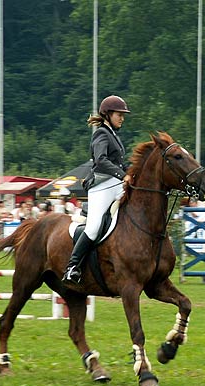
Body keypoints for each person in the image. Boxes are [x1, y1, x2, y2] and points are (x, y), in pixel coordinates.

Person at [63, 95, 131, 283]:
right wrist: (123, 175)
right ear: (108, 114)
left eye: (123, 115)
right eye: (119, 114)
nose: (122, 118)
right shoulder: (101, 133)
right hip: (101, 187)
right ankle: (72, 267)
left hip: (116, 185)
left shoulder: (114, 135)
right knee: (93, 229)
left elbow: (118, 163)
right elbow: (101, 160)